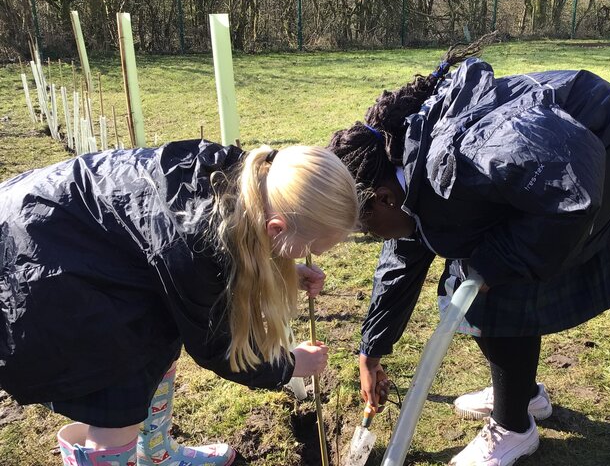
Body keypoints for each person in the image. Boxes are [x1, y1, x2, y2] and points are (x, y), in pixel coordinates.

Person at [327, 42, 610, 465]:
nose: (373, 237)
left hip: (598, 149)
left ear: (383, 198)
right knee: (477, 276)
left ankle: (514, 427)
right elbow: (401, 259)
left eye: (366, 228)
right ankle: (523, 396)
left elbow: (571, 194)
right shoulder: (402, 167)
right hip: (550, 165)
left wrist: (495, 264)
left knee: (488, 282)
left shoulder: (457, 158)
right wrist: (372, 350)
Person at [0, 139, 358, 466]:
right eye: (309, 249)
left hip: (68, 241)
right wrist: (288, 366)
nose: (310, 257)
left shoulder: (241, 180)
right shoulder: (197, 244)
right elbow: (218, 347)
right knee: (117, 393)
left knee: (157, 338)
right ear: (276, 228)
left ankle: (156, 454)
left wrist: (286, 272)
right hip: (36, 270)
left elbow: (239, 252)